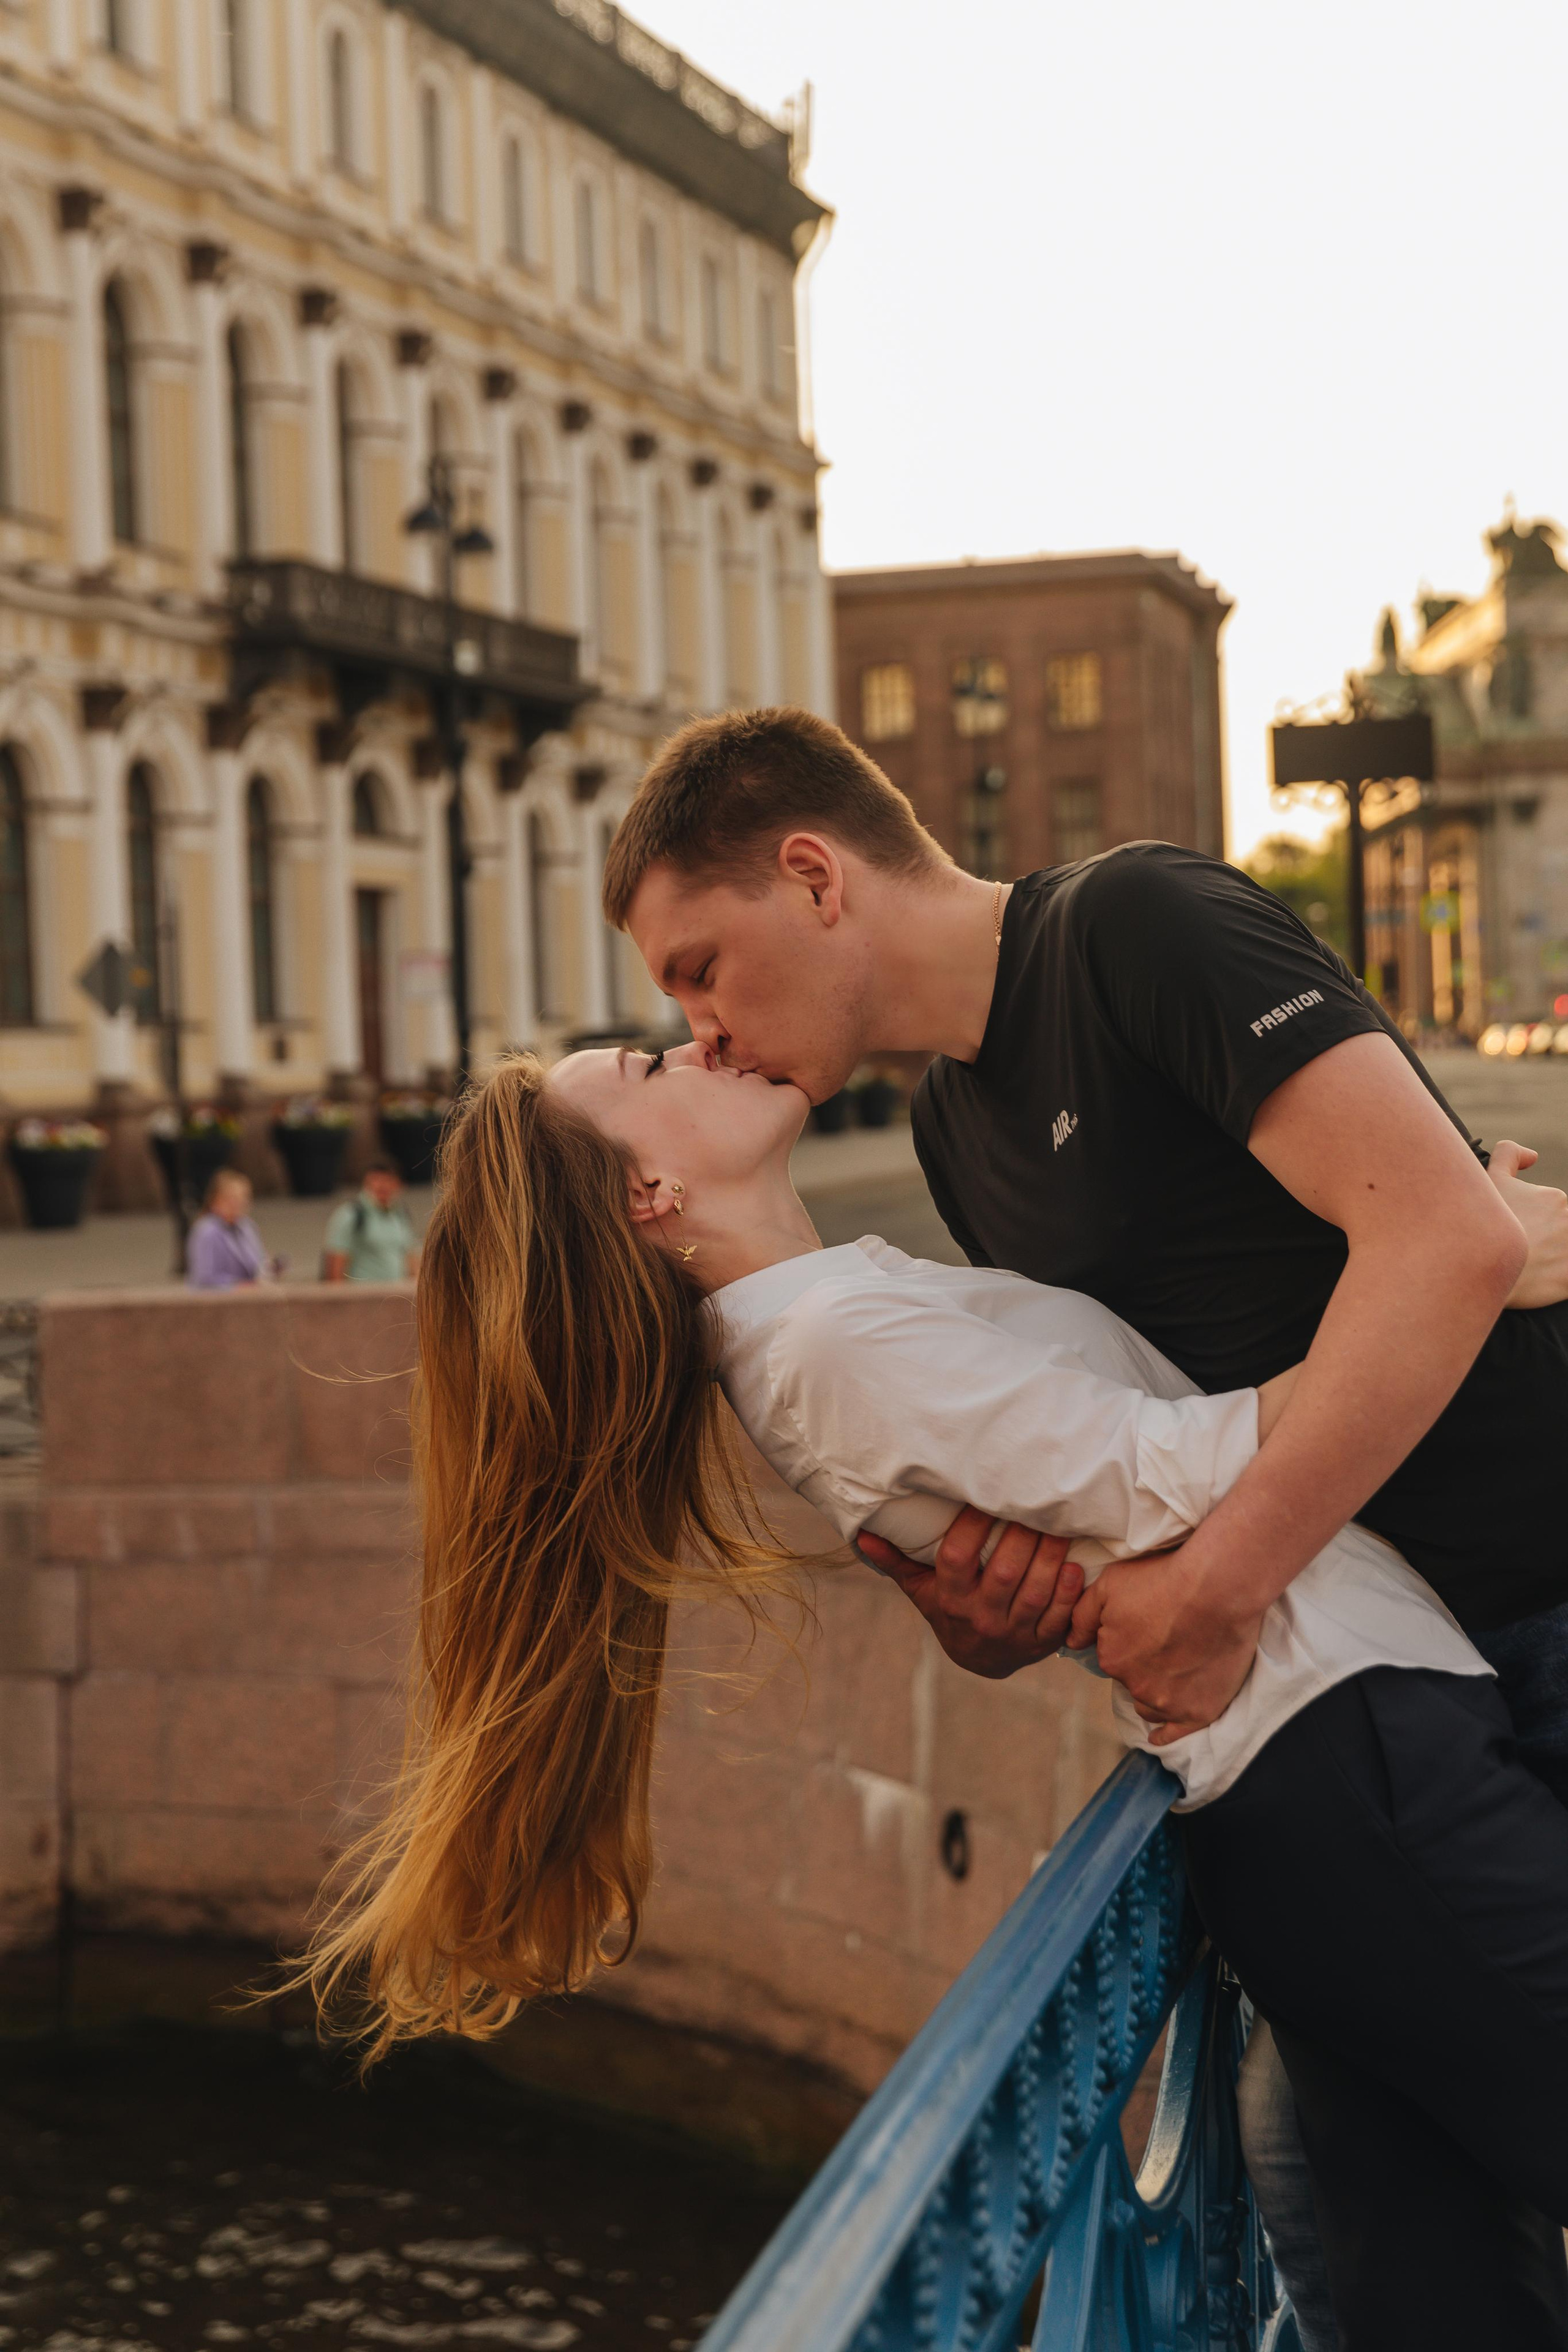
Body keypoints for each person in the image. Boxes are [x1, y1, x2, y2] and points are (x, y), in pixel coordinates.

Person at [302, 1049, 1568, 2351]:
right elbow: (1189, 1467)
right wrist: (1455, 1269)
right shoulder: (822, 1344)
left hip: (1351, 1758)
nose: (693, 1041)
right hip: (1350, 1769)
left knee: (1453, 2301)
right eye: (646, 1062)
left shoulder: (829, 1308)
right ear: (651, 1192)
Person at [597, 708, 1568, 2345]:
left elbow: (1443, 1249)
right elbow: (1118, 1444)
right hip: (1385, 1677)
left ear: (814, 875)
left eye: (701, 966)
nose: (700, 1026)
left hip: (1532, 1600)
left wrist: (1227, 1571)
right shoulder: (948, 1133)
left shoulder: (1132, 926)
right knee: (1381, 2239)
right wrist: (989, 1613)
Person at [323, 1159, 420, 1284]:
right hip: (363, 1297)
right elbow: (335, 1264)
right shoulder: (351, 1215)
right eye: (376, 1180)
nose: (382, 1186)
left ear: (398, 1185)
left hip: (395, 1297)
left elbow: (410, 1257)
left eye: (388, 1180)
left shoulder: (401, 1215)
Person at [186, 1168, 273, 1289]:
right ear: (216, 1200)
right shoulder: (205, 1231)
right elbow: (204, 1280)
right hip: (214, 1303)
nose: (240, 1204)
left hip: (248, 1299)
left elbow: (258, 1265)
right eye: (233, 1199)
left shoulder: (247, 1227)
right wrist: (240, 1287)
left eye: (244, 1198)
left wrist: (270, 1271)